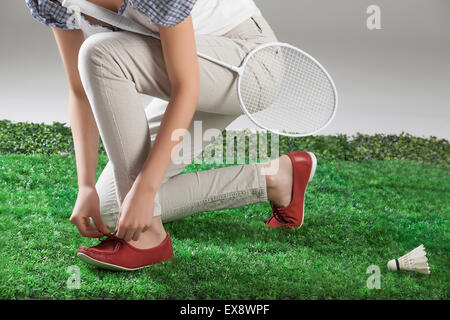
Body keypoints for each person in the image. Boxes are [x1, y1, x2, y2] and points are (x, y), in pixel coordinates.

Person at [25, 0, 317, 271]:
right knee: (111, 210)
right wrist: (85, 185)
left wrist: (146, 190)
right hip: (191, 67)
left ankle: (149, 239)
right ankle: (278, 179)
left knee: (99, 53)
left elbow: (186, 88)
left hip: (247, 63)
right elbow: (79, 92)